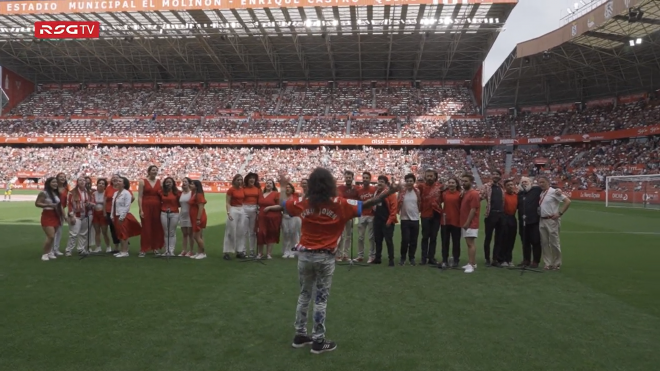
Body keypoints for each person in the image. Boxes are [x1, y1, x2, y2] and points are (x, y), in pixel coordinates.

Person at [279, 167, 400, 354]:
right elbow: (368, 204)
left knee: (304, 295)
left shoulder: (304, 202)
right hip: (325, 257)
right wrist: (389, 192)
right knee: (320, 298)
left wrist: (283, 185)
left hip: (304, 256)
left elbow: (284, 205)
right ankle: (318, 340)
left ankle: (300, 334)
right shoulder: (340, 203)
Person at [516, 176, 561, 268]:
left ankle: (536, 261)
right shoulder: (519, 193)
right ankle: (526, 260)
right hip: (522, 222)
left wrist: (558, 189)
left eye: (526, 181)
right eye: (522, 182)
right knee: (525, 242)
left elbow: (548, 187)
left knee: (536, 242)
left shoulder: (536, 190)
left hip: (534, 221)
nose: (524, 183)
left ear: (531, 183)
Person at [537, 176, 571, 270]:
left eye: (543, 182)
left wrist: (560, 213)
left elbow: (567, 201)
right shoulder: (541, 193)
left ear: (548, 182)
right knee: (544, 243)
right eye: (539, 182)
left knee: (554, 242)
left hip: (551, 220)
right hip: (542, 219)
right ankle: (548, 263)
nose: (541, 184)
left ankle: (557, 263)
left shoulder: (554, 192)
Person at [417, 168, 442, 265]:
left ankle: (431, 257)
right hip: (425, 214)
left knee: (434, 237)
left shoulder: (440, 187)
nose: (430, 178)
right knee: (425, 237)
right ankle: (423, 258)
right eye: (428, 176)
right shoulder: (421, 187)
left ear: (435, 177)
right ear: (425, 177)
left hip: (436, 214)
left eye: (431, 176)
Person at [111, 177, 142, 258]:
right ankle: (122, 250)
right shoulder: (115, 193)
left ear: (124, 184)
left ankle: (125, 251)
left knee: (124, 234)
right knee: (119, 234)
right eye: (117, 180)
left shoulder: (127, 193)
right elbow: (113, 206)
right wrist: (112, 215)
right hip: (116, 215)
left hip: (123, 215)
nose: (117, 182)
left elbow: (127, 206)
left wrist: (122, 217)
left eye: (120, 181)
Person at [372, 175, 398, 266]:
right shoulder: (376, 193)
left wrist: (389, 220)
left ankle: (391, 259)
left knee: (388, 241)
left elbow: (394, 209)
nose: (379, 183)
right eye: (378, 181)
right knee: (378, 240)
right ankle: (378, 258)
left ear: (386, 184)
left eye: (382, 182)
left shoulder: (390, 194)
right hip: (377, 221)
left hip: (387, 221)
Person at [480, 169, 505, 266]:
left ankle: (495, 259)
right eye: (493, 174)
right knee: (488, 237)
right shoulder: (487, 186)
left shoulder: (501, 187)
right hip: (491, 214)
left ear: (500, 176)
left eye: (497, 174)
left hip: (501, 214)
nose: (495, 175)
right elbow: (480, 196)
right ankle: (487, 259)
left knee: (499, 238)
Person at [138, 165, 164, 257]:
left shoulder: (159, 182)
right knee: (146, 228)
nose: (155, 172)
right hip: (146, 205)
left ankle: (155, 248)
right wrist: (141, 209)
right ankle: (143, 249)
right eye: (153, 170)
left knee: (156, 227)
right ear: (149, 171)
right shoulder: (142, 181)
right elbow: (140, 196)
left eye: (156, 170)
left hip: (157, 206)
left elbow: (162, 195)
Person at [35, 177, 63, 261]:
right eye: (53, 182)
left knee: (53, 236)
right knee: (50, 236)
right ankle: (45, 254)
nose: (55, 184)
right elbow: (37, 203)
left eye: (56, 182)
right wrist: (49, 205)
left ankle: (50, 252)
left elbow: (59, 205)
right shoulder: (44, 193)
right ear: (48, 183)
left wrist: (62, 215)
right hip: (47, 215)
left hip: (56, 215)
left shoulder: (56, 193)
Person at [65, 177, 92, 256]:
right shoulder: (72, 192)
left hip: (86, 215)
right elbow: (69, 204)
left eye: (83, 180)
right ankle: (68, 250)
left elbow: (91, 202)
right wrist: (71, 216)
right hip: (76, 215)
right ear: (77, 182)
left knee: (83, 234)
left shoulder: (88, 192)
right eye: (80, 180)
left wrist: (90, 205)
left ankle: (81, 249)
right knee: (73, 233)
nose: (82, 181)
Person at [336, 170, 360, 261]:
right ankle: (338, 254)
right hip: (341, 215)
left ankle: (345, 254)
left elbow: (358, 201)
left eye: (350, 177)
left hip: (350, 215)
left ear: (352, 178)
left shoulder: (356, 189)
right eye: (347, 177)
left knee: (348, 236)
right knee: (340, 235)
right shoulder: (340, 188)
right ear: (344, 178)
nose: (348, 179)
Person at [398, 173, 421, 266]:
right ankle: (403, 257)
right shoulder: (402, 192)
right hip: (404, 219)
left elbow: (419, 203)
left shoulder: (417, 192)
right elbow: (398, 202)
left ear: (414, 182)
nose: (409, 182)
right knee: (405, 240)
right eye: (407, 181)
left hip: (415, 219)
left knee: (413, 240)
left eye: (411, 181)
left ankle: (412, 257)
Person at [256, 179, 282, 259]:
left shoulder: (276, 194)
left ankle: (268, 254)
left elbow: (281, 206)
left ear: (273, 185)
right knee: (260, 233)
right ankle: (260, 253)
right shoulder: (261, 194)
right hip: (261, 217)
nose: (268, 184)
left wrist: (269, 207)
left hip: (273, 217)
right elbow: (258, 204)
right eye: (267, 183)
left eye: (270, 183)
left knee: (271, 233)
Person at [223, 174, 247, 260]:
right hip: (233, 209)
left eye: (241, 180)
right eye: (238, 180)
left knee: (241, 231)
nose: (239, 181)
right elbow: (227, 202)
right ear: (234, 180)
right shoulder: (231, 190)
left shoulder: (242, 189)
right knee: (230, 231)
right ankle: (227, 251)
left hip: (241, 209)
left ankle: (239, 250)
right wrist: (228, 212)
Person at [460, 173, 480, 274]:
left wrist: (467, 222)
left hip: (471, 223)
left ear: (471, 182)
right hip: (466, 222)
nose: (463, 183)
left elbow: (473, 209)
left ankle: (471, 265)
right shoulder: (466, 192)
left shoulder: (474, 193)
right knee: (469, 243)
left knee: (470, 244)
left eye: (466, 181)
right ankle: (473, 262)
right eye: (462, 181)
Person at [440, 177, 462, 269]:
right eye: (450, 182)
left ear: (456, 184)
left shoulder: (460, 194)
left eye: (453, 183)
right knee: (445, 242)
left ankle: (456, 260)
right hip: (445, 221)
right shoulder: (444, 193)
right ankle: (445, 260)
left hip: (456, 221)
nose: (451, 184)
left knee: (456, 242)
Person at [356, 172, 377, 263]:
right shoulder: (359, 191)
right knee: (360, 237)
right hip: (362, 216)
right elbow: (357, 203)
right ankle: (360, 255)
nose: (365, 179)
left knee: (371, 237)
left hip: (371, 216)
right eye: (364, 178)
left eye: (367, 178)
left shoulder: (373, 189)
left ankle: (371, 256)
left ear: (370, 179)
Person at [159, 177, 180, 256]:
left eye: (170, 182)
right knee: (166, 232)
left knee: (172, 232)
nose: (168, 183)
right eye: (167, 182)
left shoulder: (177, 192)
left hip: (174, 213)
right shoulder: (161, 192)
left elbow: (180, 202)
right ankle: (166, 250)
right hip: (164, 213)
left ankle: (171, 250)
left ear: (173, 183)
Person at [499, 179, 518, 267]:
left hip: (512, 218)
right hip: (504, 218)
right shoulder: (503, 196)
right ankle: (502, 259)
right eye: (508, 185)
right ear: (505, 187)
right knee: (504, 239)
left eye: (511, 185)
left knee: (511, 240)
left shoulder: (516, 195)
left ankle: (509, 259)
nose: (510, 186)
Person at [188, 180, 208, 260]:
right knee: (198, 236)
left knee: (196, 236)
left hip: (198, 217)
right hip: (195, 217)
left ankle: (203, 252)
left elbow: (201, 207)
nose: (190, 185)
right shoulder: (194, 194)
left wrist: (198, 218)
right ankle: (199, 252)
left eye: (192, 184)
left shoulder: (199, 195)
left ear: (196, 186)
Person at [242, 173, 261, 257]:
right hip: (244, 208)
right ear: (247, 179)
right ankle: (243, 250)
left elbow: (260, 200)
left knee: (252, 231)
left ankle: (252, 250)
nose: (252, 179)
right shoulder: (243, 188)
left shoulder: (258, 189)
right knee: (244, 231)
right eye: (250, 178)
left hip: (254, 209)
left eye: (253, 178)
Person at [91, 178, 111, 253]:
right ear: (97, 184)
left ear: (105, 186)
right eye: (99, 183)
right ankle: (98, 247)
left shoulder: (106, 193)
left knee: (104, 231)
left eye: (103, 184)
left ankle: (108, 246)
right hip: (95, 213)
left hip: (103, 213)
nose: (101, 185)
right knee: (97, 231)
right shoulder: (93, 193)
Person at [52, 172, 69, 256]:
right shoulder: (54, 188)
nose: (62, 178)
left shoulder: (66, 189)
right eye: (60, 177)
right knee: (52, 231)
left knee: (59, 231)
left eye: (64, 177)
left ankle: (56, 249)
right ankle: (51, 249)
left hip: (62, 211)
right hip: (54, 211)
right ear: (57, 178)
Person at [178, 177, 195, 257]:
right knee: (184, 234)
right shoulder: (181, 193)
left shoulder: (191, 193)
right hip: (182, 215)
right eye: (183, 181)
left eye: (186, 181)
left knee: (190, 234)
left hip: (190, 215)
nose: (184, 183)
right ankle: (184, 250)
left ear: (189, 183)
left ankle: (191, 250)